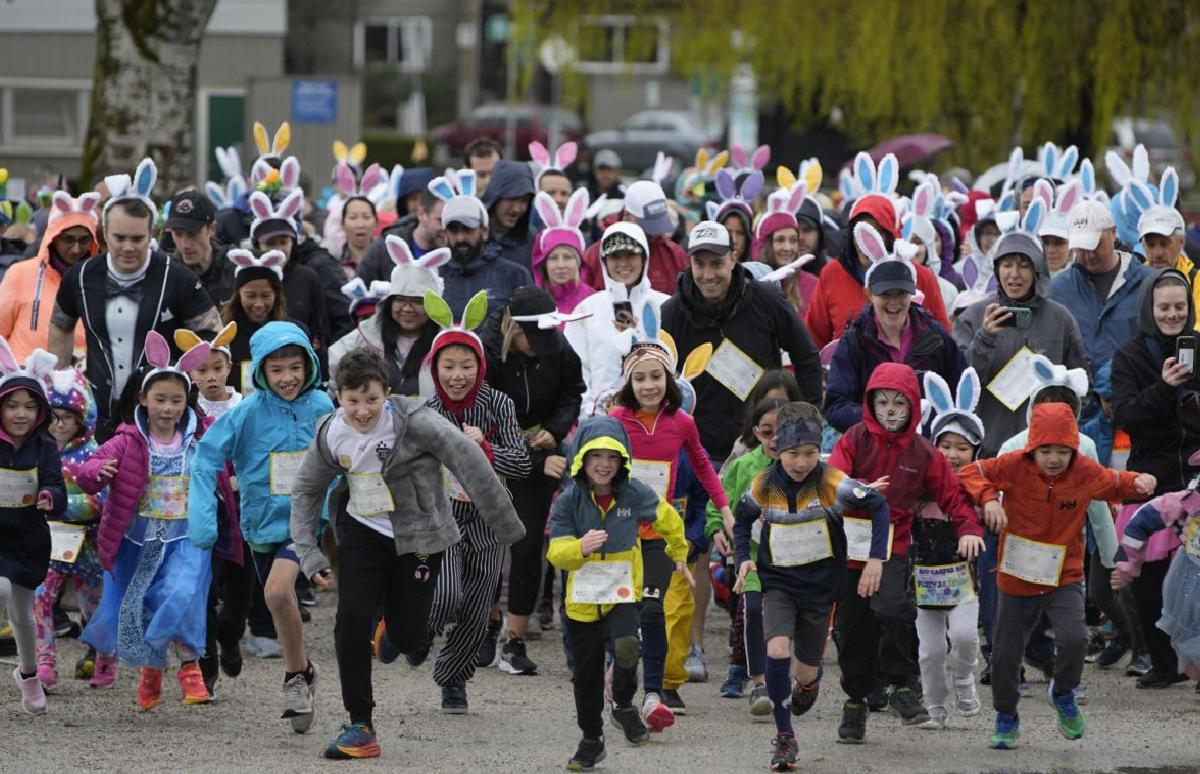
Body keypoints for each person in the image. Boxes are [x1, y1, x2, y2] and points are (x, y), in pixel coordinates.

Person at [289, 349, 523, 760]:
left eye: (372, 400)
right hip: (362, 529)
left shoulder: (415, 422)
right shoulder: (330, 431)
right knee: (349, 621)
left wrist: (507, 528)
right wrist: (309, 554)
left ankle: (394, 629)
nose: (362, 411)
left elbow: (468, 460)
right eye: (352, 400)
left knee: (410, 635)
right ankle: (360, 724)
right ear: (337, 396)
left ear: (387, 394)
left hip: (419, 535)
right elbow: (306, 489)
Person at [958, 402, 1153, 749]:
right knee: (1004, 654)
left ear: (1073, 449)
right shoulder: (1013, 465)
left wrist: (1140, 481)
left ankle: (1062, 693)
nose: (1053, 458)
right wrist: (989, 499)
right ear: (1031, 447)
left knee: (1076, 639)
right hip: (1016, 577)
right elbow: (970, 474)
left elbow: (1115, 482)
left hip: (1063, 575)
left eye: (1062, 451)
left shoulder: (1084, 471)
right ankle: (1006, 715)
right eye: (1045, 450)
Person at [187, 321, 333, 732]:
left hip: (302, 521)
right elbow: (205, 459)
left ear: (309, 365)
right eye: (276, 370)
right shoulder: (246, 412)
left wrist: (333, 513)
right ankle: (303, 670)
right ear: (260, 373)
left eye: (295, 367)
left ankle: (292, 677)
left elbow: (340, 459)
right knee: (276, 599)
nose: (287, 378)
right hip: (257, 524)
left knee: (276, 591)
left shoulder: (322, 406)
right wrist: (201, 519)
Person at [732, 402, 891, 773]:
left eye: (808, 453)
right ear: (777, 450)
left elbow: (879, 506)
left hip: (820, 591)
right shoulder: (764, 485)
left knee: (804, 673)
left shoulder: (831, 482)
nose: (800, 462)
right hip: (779, 584)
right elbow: (741, 520)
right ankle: (785, 737)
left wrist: (874, 558)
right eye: (792, 454)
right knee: (776, 648)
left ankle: (808, 684)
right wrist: (743, 557)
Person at [828, 363, 981, 739]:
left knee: (894, 608)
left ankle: (900, 683)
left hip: (891, 547)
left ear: (914, 406)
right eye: (883, 402)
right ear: (871, 403)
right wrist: (861, 490)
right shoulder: (854, 438)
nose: (892, 410)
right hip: (850, 546)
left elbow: (952, 496)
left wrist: (970, 529)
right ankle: (855, 700)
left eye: (900, 402)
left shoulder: (923, 452)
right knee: (852, 629)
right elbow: (831, 481)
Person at [77, 333, 217, 710]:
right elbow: (89, 467)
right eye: (160, 399)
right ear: (143, 399)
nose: (168, 408)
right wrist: (97, 472)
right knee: (139, 606)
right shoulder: (126, 441)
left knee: (183, 594)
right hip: (138, 541)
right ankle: (151, 671)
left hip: (186, 538)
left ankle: (190, 668)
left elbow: (223, 463)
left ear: (187, 400)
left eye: (176, 400)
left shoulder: (198, 439)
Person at [547, 415, 688, 771]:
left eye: (613, 457)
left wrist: (679, 552)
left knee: (627, 647)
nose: (604, 465)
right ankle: (592, 739)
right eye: (596, 456)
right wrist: (580, 547)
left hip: (623, 593)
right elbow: (555, 551)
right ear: (582, 458)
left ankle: (623, 703)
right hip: (582, 602)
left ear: (623, 460)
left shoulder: (634, 492)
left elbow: (669, 519)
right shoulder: (568, 500)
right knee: (586, 676)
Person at [414, 289, 531, 711]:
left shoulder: (498, 404)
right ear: (435, 368)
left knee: (479, 609)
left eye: (467, 365)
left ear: (480, 367)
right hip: (442, 521)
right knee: (444, 595)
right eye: (448, 366)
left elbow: (521, 464)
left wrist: (488, 450)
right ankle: (418, 628)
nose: (457, 375)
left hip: (488, 520)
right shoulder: (425, 414)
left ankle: (453, 679)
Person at [607, 324, 730, 720]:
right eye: (639, 378)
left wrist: (725, 508)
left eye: (656, 376)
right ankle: (621, 690)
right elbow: (590, 466)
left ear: (669, 380)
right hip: (621, 531)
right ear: (628, 382)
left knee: (653, 610)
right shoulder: (617, 419)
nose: (648, 385)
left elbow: (705, 470)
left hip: (661, 532)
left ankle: (655, 694)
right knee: (624, 616)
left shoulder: (682, 422)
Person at [48, 160, 220, 427]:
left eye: (137, 239)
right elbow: (60, 327)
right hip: (97, 415)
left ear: (152, 233)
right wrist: (60, 385)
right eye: (119, 238)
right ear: (104, 233)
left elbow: (214, 337)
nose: (128, 247)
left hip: (161, 421)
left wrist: (187, 385)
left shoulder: (177, 277)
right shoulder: (79, 277)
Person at [479, 287, 584, 675]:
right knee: (488, 541)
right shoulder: (487, 355)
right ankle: (486, 622)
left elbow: (573, 391)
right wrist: (524, 449)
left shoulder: (558, 349)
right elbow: (479, 408)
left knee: (526, 544)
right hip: (492, 449)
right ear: (511, 329)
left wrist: (554, 432)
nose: (541, 347)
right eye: (532, 340)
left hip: (543, 447)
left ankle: (515, 638)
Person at [660, 221, 823, 462]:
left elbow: (806, 356)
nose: (708, 275)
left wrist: (805, 420)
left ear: (733, 258)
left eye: (716, 264)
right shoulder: (672, 312)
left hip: (763, 445)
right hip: (698, 448)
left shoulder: (765, 299)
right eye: (699, 264)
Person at [1110, 267, 1200, 686]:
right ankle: (1163, 663)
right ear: (1149, 308)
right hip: (1151, 477)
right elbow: (1128, 416)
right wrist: (1164, 387)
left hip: (1195, 476)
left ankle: (1194, 662)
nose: (1172, 315)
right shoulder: (1129, 354)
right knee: (1148, 578)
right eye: (1163, 307)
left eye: (1179, 307)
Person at [953, 230, 1087, 457]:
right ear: (996, 269)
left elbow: (1082, 381)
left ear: (1037, 271)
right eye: (1007, 265)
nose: (1014, 274)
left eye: (1024, 265)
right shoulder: (973, 317)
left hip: (1045, 453)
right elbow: (961, 383)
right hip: (988, 450)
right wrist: (985, 337)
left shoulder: (1060, 318)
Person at [823, 224, 964, 432]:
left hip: (924, 450)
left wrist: (928, 421)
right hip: (873, 452)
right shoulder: (855, 342)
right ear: (869, 293)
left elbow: (958, 396)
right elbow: (835, 406)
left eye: (901, 293)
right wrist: (882, 418)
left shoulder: (935, 338)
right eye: (885, 294)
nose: (894, 302)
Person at [914, 369, 989, 729]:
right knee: (930, 651)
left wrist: (988, 508)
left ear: (975, 450)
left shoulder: (979, 488)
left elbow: (993, 503)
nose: (953, 454)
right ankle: (934, 706)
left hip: (963, 581)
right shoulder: (918, 487)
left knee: (963, 636)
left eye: (962, 447)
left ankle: (964, 680)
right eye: (945, 446)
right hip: (922, 581)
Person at [33, 366, 110, 690]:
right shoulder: (38, 453)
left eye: (67, 417)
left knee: (92, 606)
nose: (59, 424)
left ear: (82, 419)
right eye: (53, 416)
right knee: (41, 597)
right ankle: (44, 662)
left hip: (88, 543)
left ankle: (104, 660)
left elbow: (102, 501)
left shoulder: (93, 454)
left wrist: (62, 505)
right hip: (50, 542)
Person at [708, 396, 786, 709]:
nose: (776, 439)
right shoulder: (743, 466)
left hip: (791, 561)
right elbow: (718, 501)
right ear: (755, 432)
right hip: (751, 557)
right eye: (767, 432)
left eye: (783, 430)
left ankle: (796, 675)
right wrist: (716, 528)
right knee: (752, 612)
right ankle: (759, 684)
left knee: (785, 621)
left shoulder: (804, 467)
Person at [0, 342, 66, 714]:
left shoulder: (45, 447)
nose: (20, 414)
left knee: (24, 616)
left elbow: (58, 487)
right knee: (0, 590)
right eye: (12, 405)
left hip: (28, 537)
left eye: (29, 406)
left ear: (40, 411)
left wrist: (49, 497)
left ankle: (28, 674)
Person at [805, 194, 951, 349]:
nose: (865, 241)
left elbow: (942, 340)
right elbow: (814, 339)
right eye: (861, 231)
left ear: (891, 235)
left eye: (877, 232)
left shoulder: (921, 277)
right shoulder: (832, 274)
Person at [568, 222, 667, 420]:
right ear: (604, 261)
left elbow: (674, 367)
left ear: (644, 257)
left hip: (655, 421)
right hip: (599, 422)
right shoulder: (587, 309)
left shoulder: (664, 305)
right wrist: (589, 412)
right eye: (614, 256)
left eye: (630, 255)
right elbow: (575, 372)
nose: (623, 263)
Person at [1112, 465, 1200, 685]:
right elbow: (1140, 523)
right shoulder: (1183, 503)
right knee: (1192, 630)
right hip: (1192, 582)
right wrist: (1127, 566)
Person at [328, 237, 448, 397]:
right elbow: (335, 369)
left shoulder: (446, 341)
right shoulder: (367, 335)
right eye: (400, 300)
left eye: (416, 301)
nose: (407, 308)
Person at [1051, 198, 1149, 372]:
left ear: (1113, 233)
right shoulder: (1057, 289)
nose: (1089, 255)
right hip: (1077, 394)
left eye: (1096, 244)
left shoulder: (1147, 283)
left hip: (1133, 393)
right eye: (1081, 247)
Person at [0, 192, 97, 361]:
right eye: (68, 239)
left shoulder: (98, 281)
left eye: (84, 240)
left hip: (80, 381)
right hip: (25, 381)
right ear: (53, 236)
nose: (76, 249)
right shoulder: (20, 274)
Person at [428, 172, 532, 317]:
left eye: (468, 229)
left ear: (484, 231)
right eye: (453, 230)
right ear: (445, 234)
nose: (460, 238)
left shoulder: (514, 275)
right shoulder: (431, 275)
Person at [248, 189, 333, 359]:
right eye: (270, 243)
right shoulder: (245, 279)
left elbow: (321, 332)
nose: (278, 249)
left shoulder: (308, 278)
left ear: (293, 243)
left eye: (283, 242)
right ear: (257, 245)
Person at [581, 180, 688, 295]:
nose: (654, 234)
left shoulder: (675, 255)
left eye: (658, 224)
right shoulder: (595, 256)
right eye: (648, 226)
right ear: (627, 216)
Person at [355, 185, 445, 283]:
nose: (446, 229)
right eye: (440, 221)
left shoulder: (456, 251)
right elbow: (359, 291)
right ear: (422, 214)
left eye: (451, 224)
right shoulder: (385, 247)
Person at [166, 190, 237, 308]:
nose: (185, 244)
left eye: (192, 233)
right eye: (178, 234)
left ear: (212, 229)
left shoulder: (235, 268)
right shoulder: (166, 274)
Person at [529, 190, 595, 315]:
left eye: (568, 257)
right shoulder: (532, 302)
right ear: (544, 264)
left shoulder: (593, 300)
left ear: (579, 262)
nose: (561, 265)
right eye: (553, 258)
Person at [1139, 204, 1200, 318]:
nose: (1157, 253)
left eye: (1164, 244)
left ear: (1182, 242)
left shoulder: (1197, 281)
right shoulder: (1133, 282)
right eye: (1150, 245)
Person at [479, 160, 537, 273]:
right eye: (512, 198)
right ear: (495, 197)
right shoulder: (473, 234)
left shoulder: (532, 240)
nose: (517, 209)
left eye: (524, 201)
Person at [339, 196, 378, 278]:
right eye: (353, 218)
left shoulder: (386, 257)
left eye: (366, 217)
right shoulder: (334, 258)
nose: (360, 225)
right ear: (342, 224)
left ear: (376, 223)